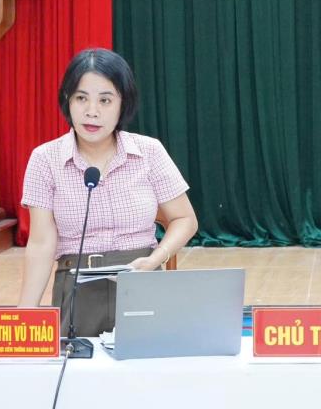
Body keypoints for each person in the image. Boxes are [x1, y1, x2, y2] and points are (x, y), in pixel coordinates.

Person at [17, 48, 198, 336]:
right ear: (67, 100)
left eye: (105, 100)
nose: (92, 111)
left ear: (123, 104)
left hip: (142, 281)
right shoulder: (45, 159)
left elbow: (184, 219)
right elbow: (41, 244)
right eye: (81, 98)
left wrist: (156, 259)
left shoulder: (149, 151)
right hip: (77, 288)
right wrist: (24, 316)